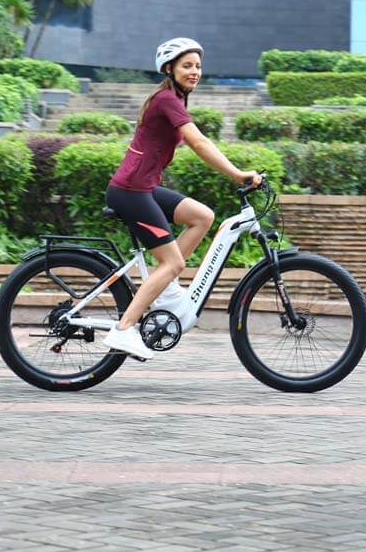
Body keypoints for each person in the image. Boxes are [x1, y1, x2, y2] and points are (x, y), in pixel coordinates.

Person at [101, 38, 259, 359]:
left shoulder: (174, 99)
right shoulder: (165, 99)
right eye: (187, 65)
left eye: (198, 66)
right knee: (174, 262)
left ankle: (166, 287)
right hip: (131, 191)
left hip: (141, 186)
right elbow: (198, 143)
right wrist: (237, 174)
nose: (195, 71)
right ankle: (124, 329)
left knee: (202, 217)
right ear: (169, 69)